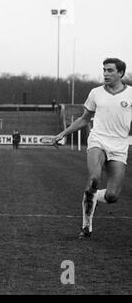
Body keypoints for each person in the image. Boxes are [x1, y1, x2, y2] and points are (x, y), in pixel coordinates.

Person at [53, 58, 132, 239]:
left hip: (119, 146)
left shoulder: (131, 94)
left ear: (120, 73)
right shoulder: (95, 93)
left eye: (110, 70)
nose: (105, 73)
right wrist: (63, 133)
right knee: (94, 180)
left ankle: (94, 197)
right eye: (104, 70)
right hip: (98, 140)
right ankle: (86, 226)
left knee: (112, 196)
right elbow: (84, 119)